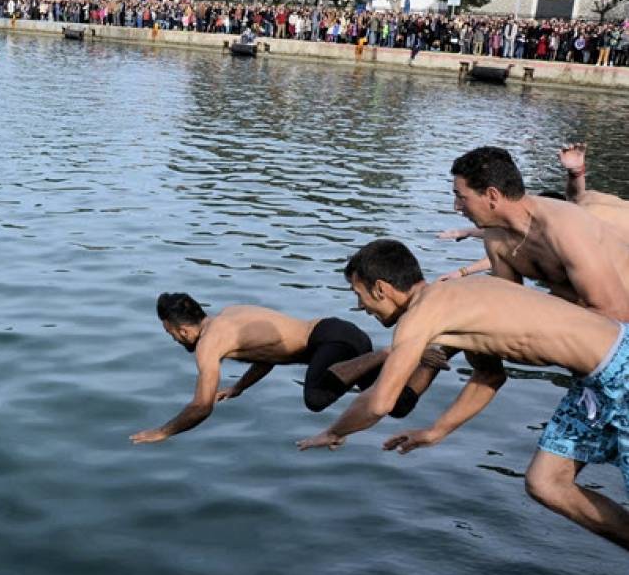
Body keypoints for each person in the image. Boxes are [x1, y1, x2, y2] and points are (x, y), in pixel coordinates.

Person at [298, 239, 629, 551]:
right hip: (593, 383)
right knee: (546, 483)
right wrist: (437, 431)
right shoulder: (454, 300)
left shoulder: (422, 315)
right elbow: (489, 375)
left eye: (359, 295)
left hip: (621, 365)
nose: (360, 306)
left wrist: (334, 431)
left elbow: (380, 402)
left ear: (381, 288)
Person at [128, 293, 445, 444]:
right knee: (399, 405)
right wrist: (240, 387)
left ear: (180, 329)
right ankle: (443, 352)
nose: (172, 338)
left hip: (328, 341)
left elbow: (201, 406)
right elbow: (270, 353)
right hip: (342, 343)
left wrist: (162, 431)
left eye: (169, 333)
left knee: (315, 397)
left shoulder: (209, 344)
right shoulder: (230, 316)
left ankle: (390, 351)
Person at [447, 146, 629, 320]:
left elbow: (615, 312)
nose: (456, 206)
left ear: (492, 195)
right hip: (576, 315)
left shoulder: (564, 226)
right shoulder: (495, 238)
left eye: (461, 197)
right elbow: (509, 306)